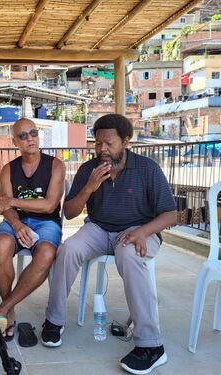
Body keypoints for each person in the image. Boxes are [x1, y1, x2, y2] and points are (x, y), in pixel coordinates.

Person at [42, 114, 177, 375]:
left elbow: (170, 214)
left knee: (128, 256)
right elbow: (69, 212)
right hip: (98, 228)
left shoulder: (147, 168)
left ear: (126, 141)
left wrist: (143, 232)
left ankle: (151, 345)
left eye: (109, 143)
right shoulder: (87, 169)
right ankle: (54, 320)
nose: (102, 149)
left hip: (137, 230)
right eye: (97, 143)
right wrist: (89, 188)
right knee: (68, 250)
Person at [0, 118, 65, 340]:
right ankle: (10, 311)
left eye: (33, 133)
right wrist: (16, 223)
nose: (30, 139)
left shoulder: (55, 165)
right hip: (16, 221)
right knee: (0, 244)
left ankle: (2, 309)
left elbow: (50, 205)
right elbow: (4, 208)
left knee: (46, 253)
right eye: (23, 136)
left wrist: (13, 201)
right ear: (15, 141)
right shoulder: (8, 169)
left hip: (46, 222)